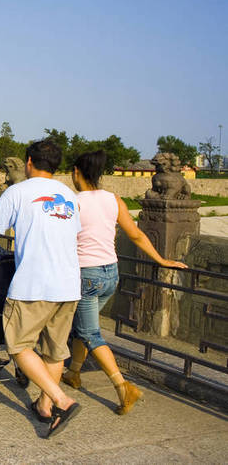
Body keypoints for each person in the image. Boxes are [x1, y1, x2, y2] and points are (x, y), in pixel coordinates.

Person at [0, 139, 81, 439]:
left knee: (18, 345)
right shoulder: (68, 195)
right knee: (55, 350)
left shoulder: (17, 192)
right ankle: (44, 407)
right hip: (69, 285)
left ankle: (61, 401)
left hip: (34, 284)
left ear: (29, 161)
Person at [62, 150, 187, 414]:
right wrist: (162, 260)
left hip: (86, 274)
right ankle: (74, 372)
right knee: (88, 325)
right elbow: (137, 235)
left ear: (76, 173)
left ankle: (122, 386)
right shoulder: (113, 199)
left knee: (89, 332)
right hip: (111, 273)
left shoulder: (72, 202)